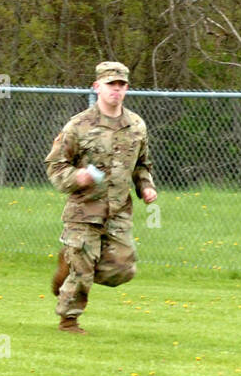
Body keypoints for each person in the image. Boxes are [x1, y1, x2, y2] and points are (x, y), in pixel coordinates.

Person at [45, 61, 158, 334]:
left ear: (127, 89)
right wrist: (77, 178)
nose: (116, 91)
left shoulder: (136, 126)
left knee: (122, 270)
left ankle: (68, 265)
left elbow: (142, 164)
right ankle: (68, 320)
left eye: (121, 85)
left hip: (119, 211)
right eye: (110, 85)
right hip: (84, 211)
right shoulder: (79, 125)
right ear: (97, 87)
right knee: (83, 270)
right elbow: (55, 165)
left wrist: (146, 186)